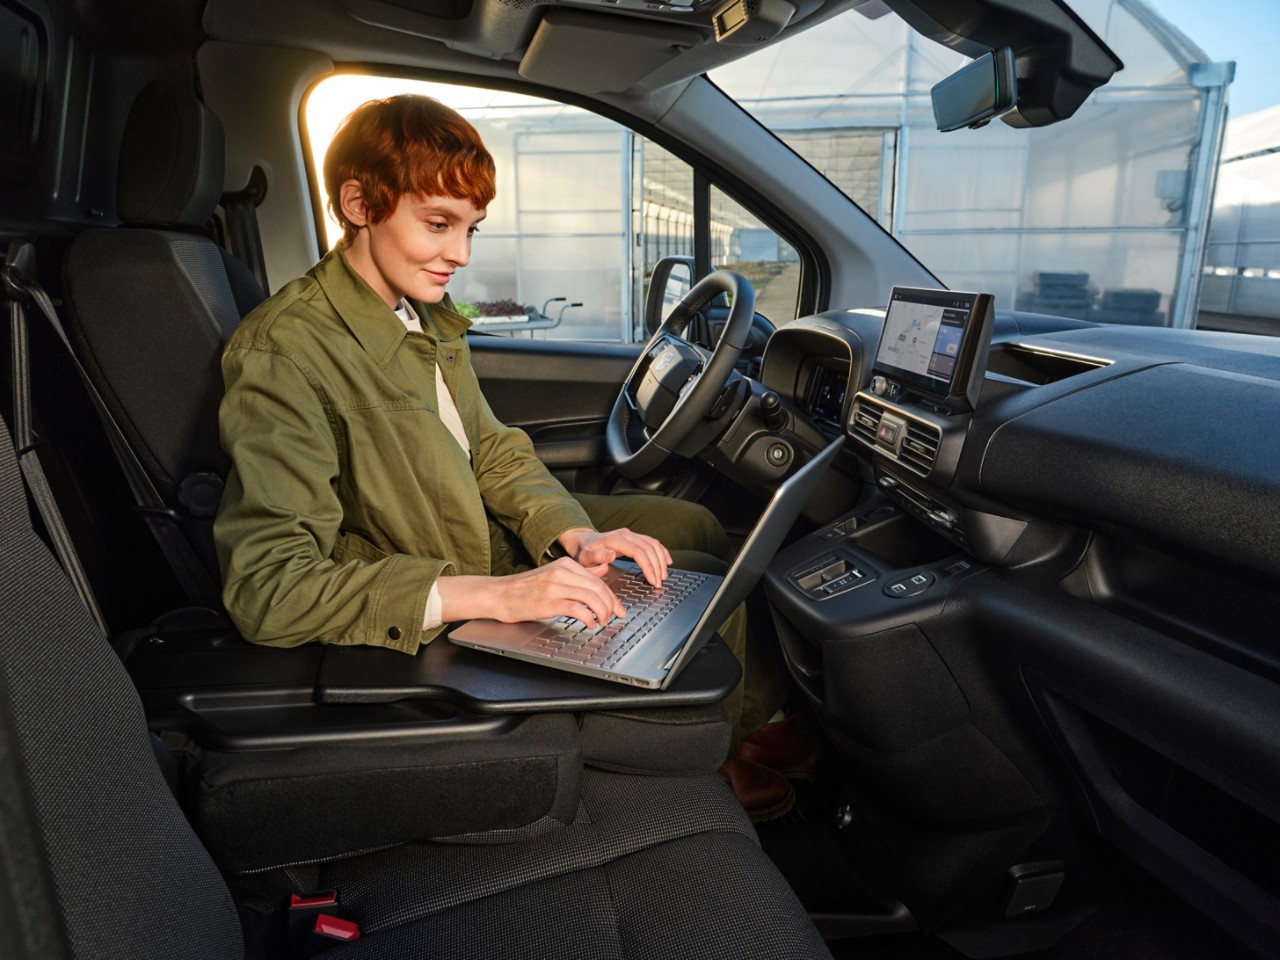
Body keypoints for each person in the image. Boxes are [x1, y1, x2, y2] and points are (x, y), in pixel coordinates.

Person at [213, 94, 815, 819]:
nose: (461, 255)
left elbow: (492, 449)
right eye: (437, 224)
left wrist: (574, 535)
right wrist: (501, 595)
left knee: (689, 531)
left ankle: (745, 731)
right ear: (359, 203)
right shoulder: (284, 350)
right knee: (704, 575)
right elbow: (268, 588)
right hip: (440, 581)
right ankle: (714, 755)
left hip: (478, 529)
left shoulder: (427, 315)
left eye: (471, 228)